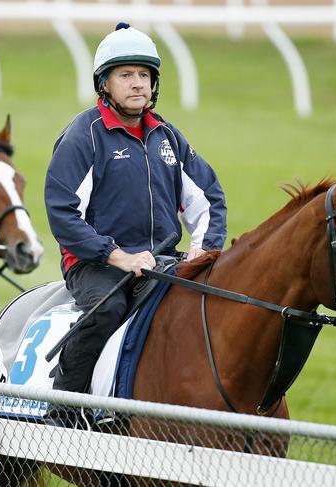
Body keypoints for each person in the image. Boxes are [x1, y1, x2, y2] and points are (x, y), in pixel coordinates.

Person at [44, 23, 227, 427]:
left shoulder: (168, 137)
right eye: (126, 74)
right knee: (108, 308)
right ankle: (63, 408)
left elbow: (209, 197)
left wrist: (204, 247)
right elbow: (62, 213)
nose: (137, 84)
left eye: (144, 75)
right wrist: (118, 256)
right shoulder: (83, 136)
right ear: (104, 83)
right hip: (94, 265)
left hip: (160, 260)